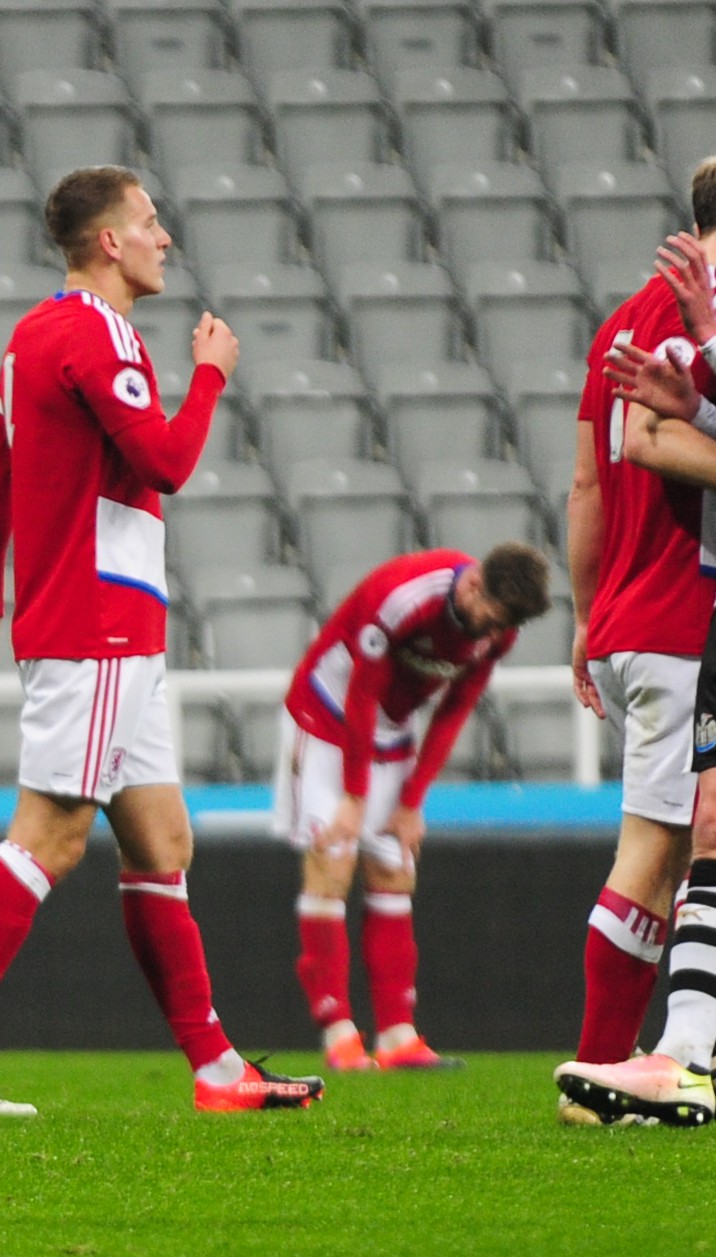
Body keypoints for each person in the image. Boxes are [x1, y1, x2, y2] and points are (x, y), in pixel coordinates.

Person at [0, 165, 322, 1117]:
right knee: (50, 835)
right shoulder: (95, 333)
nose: (165, 237)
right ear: (110, 243)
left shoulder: (32, 334)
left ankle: (216, 1069)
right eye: (150, 221)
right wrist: (210, 372)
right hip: (98, 623)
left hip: (113, 627)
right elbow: (165, 461)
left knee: (162, 840)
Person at [550, 160, 716, 1124]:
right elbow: (650, 445)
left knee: (663, 852)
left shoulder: (622, 317)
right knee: (659, 852)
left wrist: (585, 614)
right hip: (682, 614)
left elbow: (585, 483)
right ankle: (601, 1072)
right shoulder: (694, 316)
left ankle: (614, 1066)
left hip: (625, 615)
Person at [277, 545, 551, 1073]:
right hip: (327, 716)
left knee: (395, 871)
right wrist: (355, 799)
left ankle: (399, 1035)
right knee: (332, 863)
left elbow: (456, 707)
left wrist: (412, 800)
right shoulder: (404, 597)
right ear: (473, 587)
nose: (490, 634)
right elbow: (361, 690)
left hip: (390, 729)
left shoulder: (498, 628)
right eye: (490, 620)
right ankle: (338, 1033)